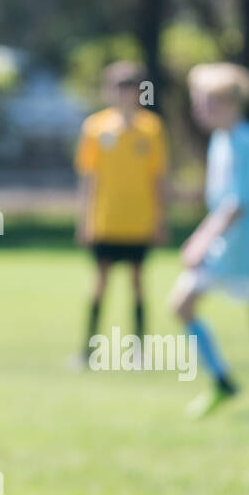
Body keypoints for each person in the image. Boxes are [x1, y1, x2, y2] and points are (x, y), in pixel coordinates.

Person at [169, 62, 249, 418]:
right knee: (182, 303)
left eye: (205, 101)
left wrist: (201, 239)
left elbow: (238, 203)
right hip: (227, 240)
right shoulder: (222, 140)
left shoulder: (247, 141)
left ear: (228, 102)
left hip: (247, 243)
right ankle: (222, 380)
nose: (198, 109)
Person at [74, 60, 169, 364]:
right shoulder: (95, 127)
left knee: (138, 284)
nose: (124, 95)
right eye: (118, 88)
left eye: (130, 88)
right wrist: (84, 220)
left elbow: (158, 179)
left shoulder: (152, 129)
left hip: (138, 221)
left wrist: (160, 220)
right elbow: (89, 178)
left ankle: (139, 351)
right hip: (106, 220)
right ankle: (88, 351)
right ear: (109, 91)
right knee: (99, 284)